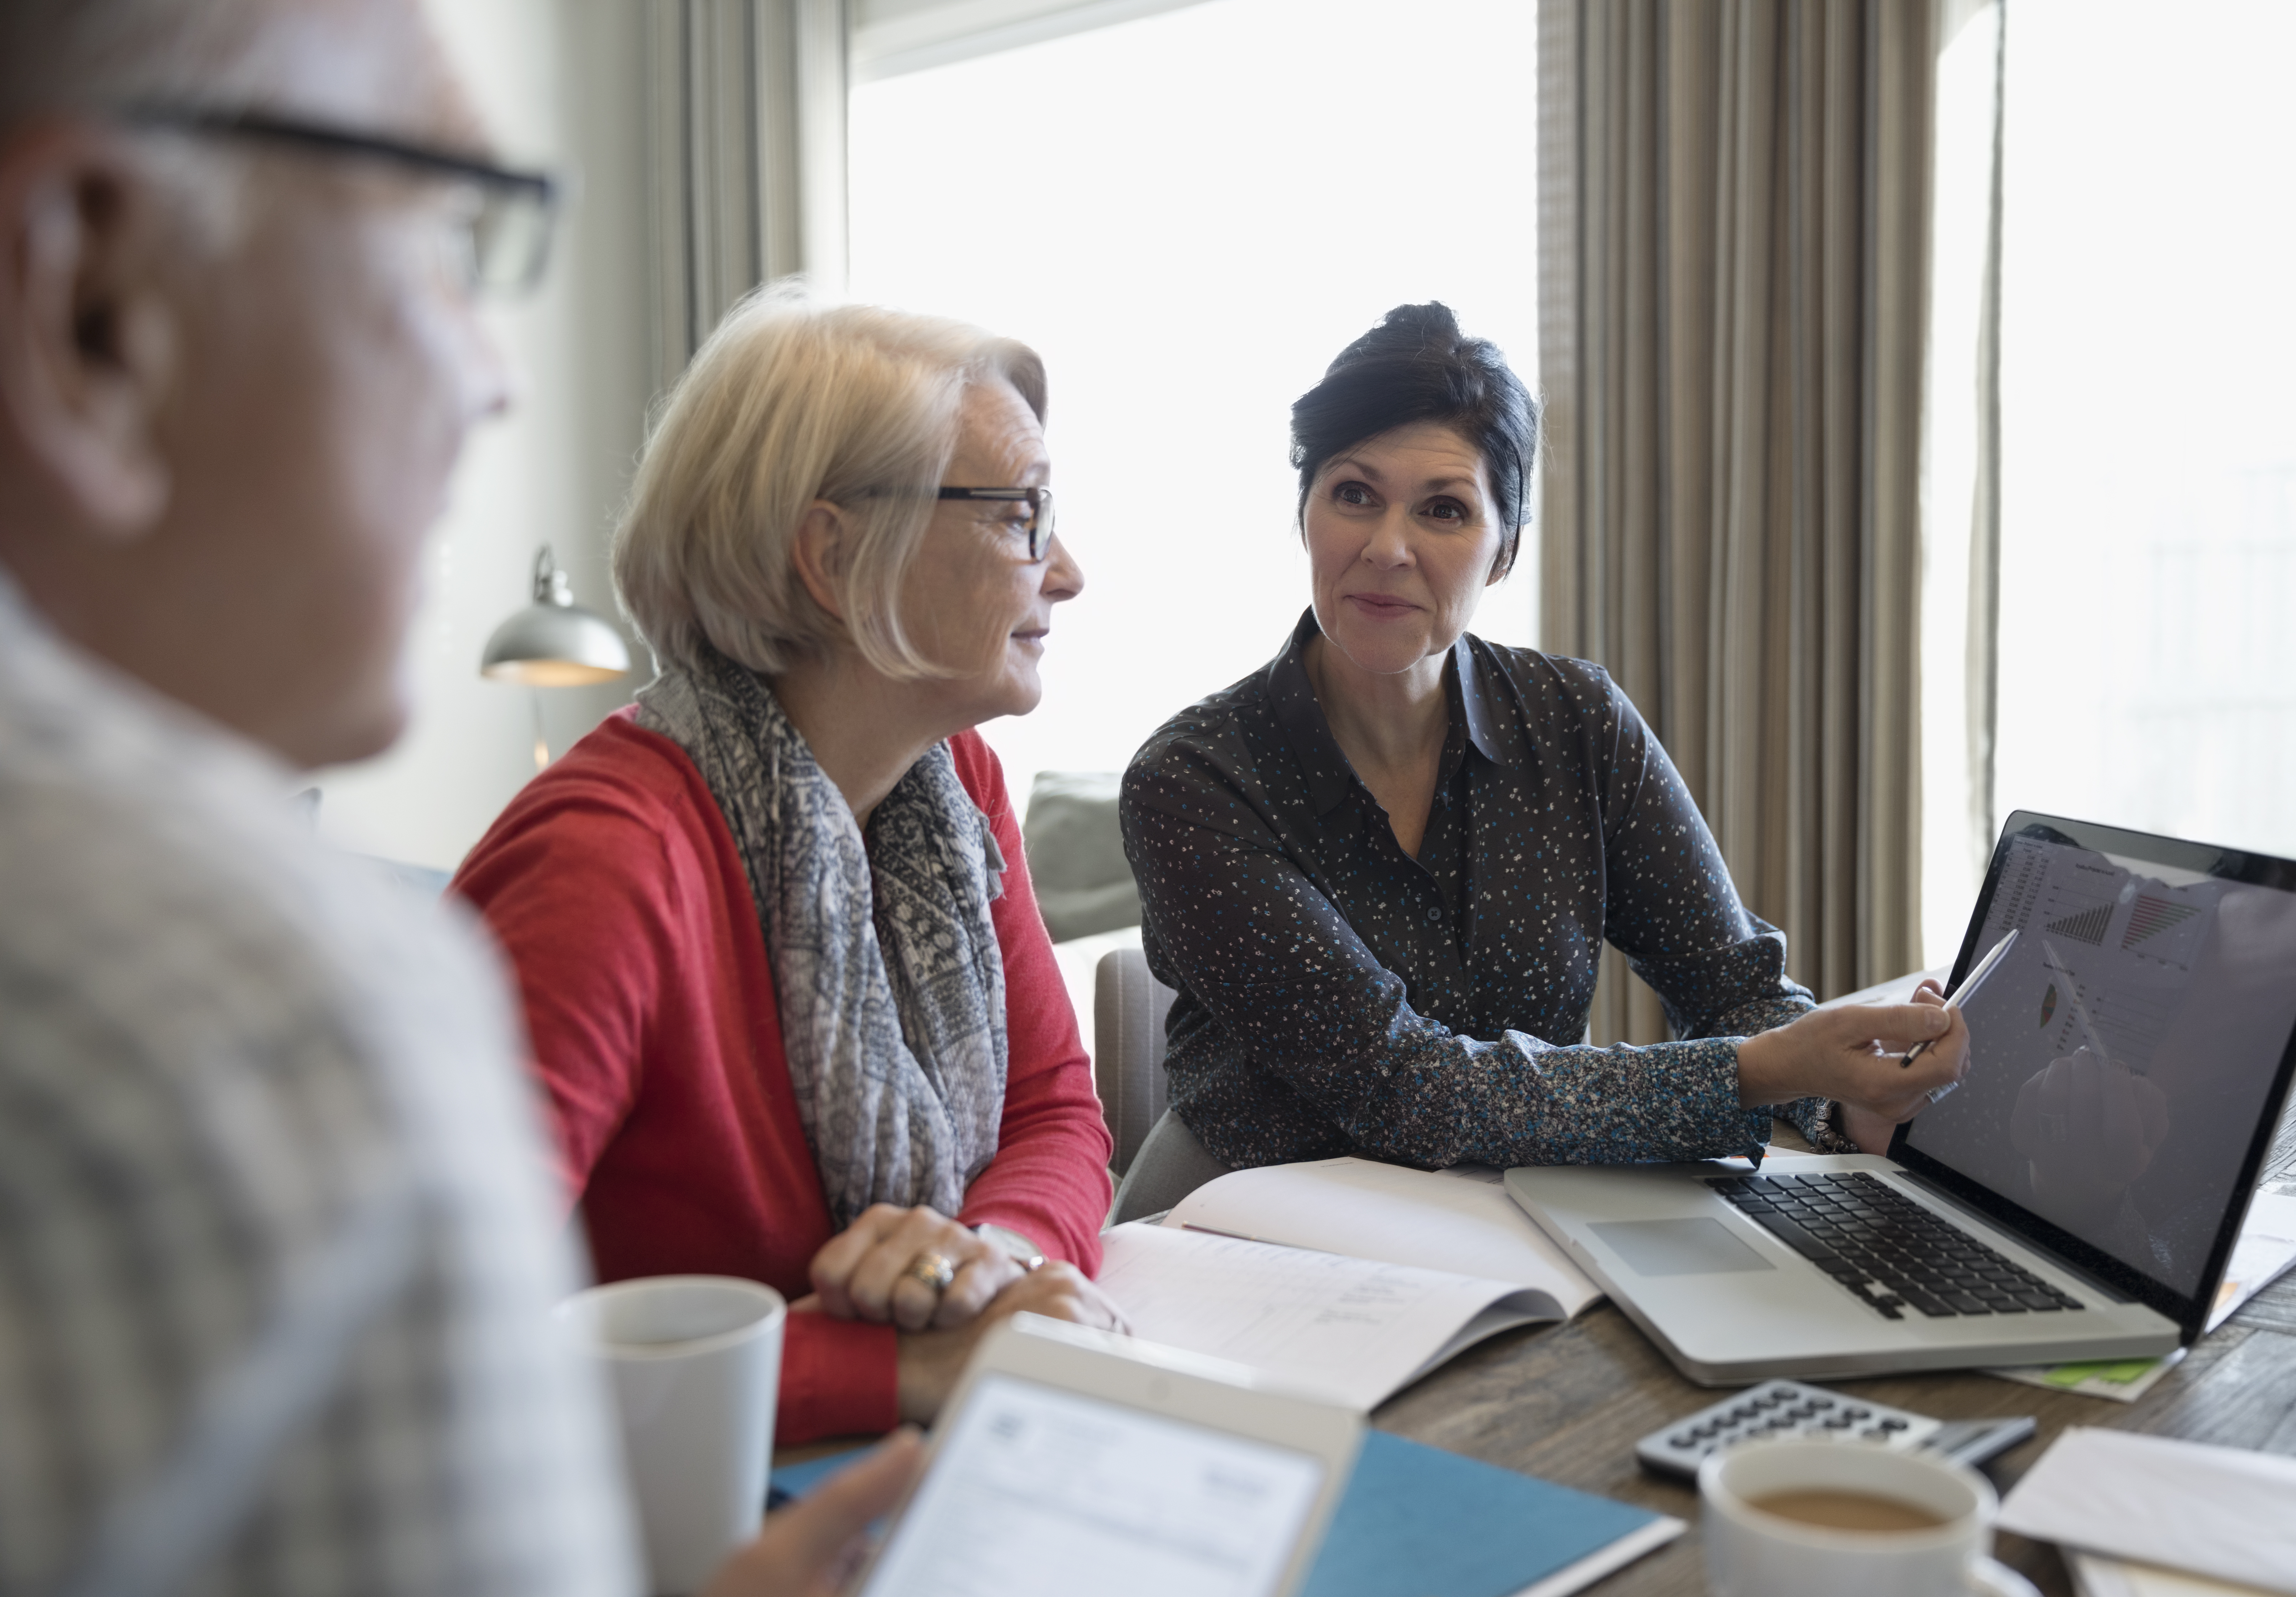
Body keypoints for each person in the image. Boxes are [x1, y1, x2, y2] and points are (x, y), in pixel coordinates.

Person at [0, 0, 913, 1590]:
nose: (496, 377)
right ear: (93, 300)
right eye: (436, 229)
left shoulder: (943, 801)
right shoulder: (264, 1013)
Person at [448, 288, 1121, 1445]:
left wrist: (985, 1263)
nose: (1066, 571)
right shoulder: (606, 867)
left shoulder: (953, 783)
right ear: (834, 554)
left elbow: (1053, 1110)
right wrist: (889, 1368)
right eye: (1020, 514)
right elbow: (439, 1347)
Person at [1121, 303, 1965, 1176]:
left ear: (1504, 551)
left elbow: (1732, 987)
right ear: (1306, 513)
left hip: (1534, 1206)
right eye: (1354, 494)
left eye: (1444, 510)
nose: (1388, 547)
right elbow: (1406, 1085)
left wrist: (1848, 1098)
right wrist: (1758, 1071)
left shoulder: (1577, 722)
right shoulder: (1193, 780)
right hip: (1257, 1223)